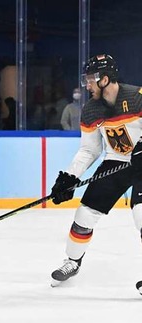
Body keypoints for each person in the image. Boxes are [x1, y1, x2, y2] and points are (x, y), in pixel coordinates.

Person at [49, 54, 142, 289]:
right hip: (116, 162)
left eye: (90, 79)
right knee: (84, 214)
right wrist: (70, 176)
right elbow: (89, 150)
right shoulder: (91, 110)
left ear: (105, 79)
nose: (86, 84)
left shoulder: (137, 97)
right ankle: (72, 261)